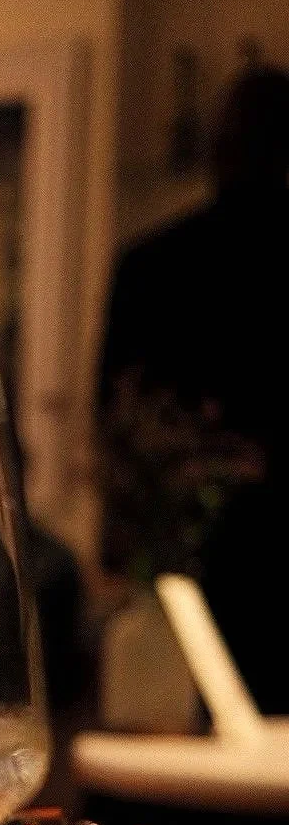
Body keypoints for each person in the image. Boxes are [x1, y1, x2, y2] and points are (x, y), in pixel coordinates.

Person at [98, 65, 289, 714]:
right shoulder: (153, 263)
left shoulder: (152, 264)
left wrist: (123, 549)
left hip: (176, 558)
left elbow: (113, 420)